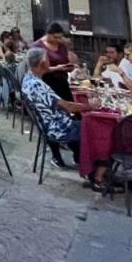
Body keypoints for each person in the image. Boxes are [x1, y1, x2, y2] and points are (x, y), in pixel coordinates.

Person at [21, 46, 99, 175]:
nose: (50, 62)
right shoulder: (38, 85)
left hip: (47, 124)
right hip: (57, 128)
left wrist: (59, 68)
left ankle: (79, 157)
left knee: (79, 119)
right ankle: (93, 171)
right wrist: (89, 105)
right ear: (42, 64)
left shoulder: (28, 78)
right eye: (47, 59)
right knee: (94, 126)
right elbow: (67, 106)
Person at [33, 22, 78, 101]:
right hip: (47, 82)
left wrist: (70, 66)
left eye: (60, 38)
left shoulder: (61, 45)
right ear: (48, 35)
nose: (58, 40)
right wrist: (57, 68)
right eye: (55, 37)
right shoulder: (38, 47)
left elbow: (68, 60)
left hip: (62, 81)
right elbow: (38, 70)